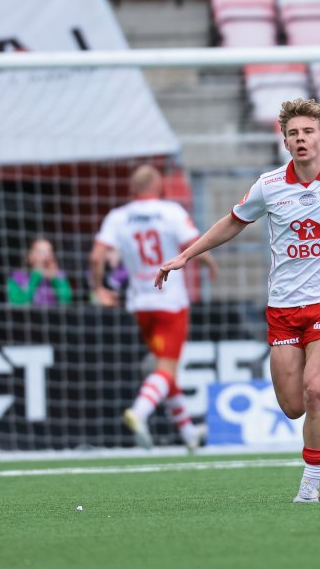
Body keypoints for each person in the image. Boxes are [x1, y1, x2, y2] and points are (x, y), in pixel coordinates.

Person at [155, 93, 320, 503]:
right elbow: (232, 222)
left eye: (309, 132)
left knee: (316, 392)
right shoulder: (270, 185)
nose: (301, 139)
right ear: (285, 141)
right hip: (282, 308)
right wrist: (187, 255)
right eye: (293, 133)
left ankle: (310, 483)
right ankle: (310, 457)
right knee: (293, 406)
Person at [91, 165, 217, 451]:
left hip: (140, 304)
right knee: (167, 367)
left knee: (165, 367)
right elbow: (194, 245)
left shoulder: (118, 217)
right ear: (158, 186)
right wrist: (209, 263)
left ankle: (188, 434)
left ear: (133, 188)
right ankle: (140, 411)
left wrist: (99, 288)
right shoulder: (170, 212)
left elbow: (97, 255)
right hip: (170, 302)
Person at [8, 238, 73, 306]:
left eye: (49, 251)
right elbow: (17, 302)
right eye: (40, 252)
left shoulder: (59, 276)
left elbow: (67, 301)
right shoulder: (17, 277)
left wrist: (54, 279)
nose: (46, 256)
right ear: (29, 257)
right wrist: (36, 276)